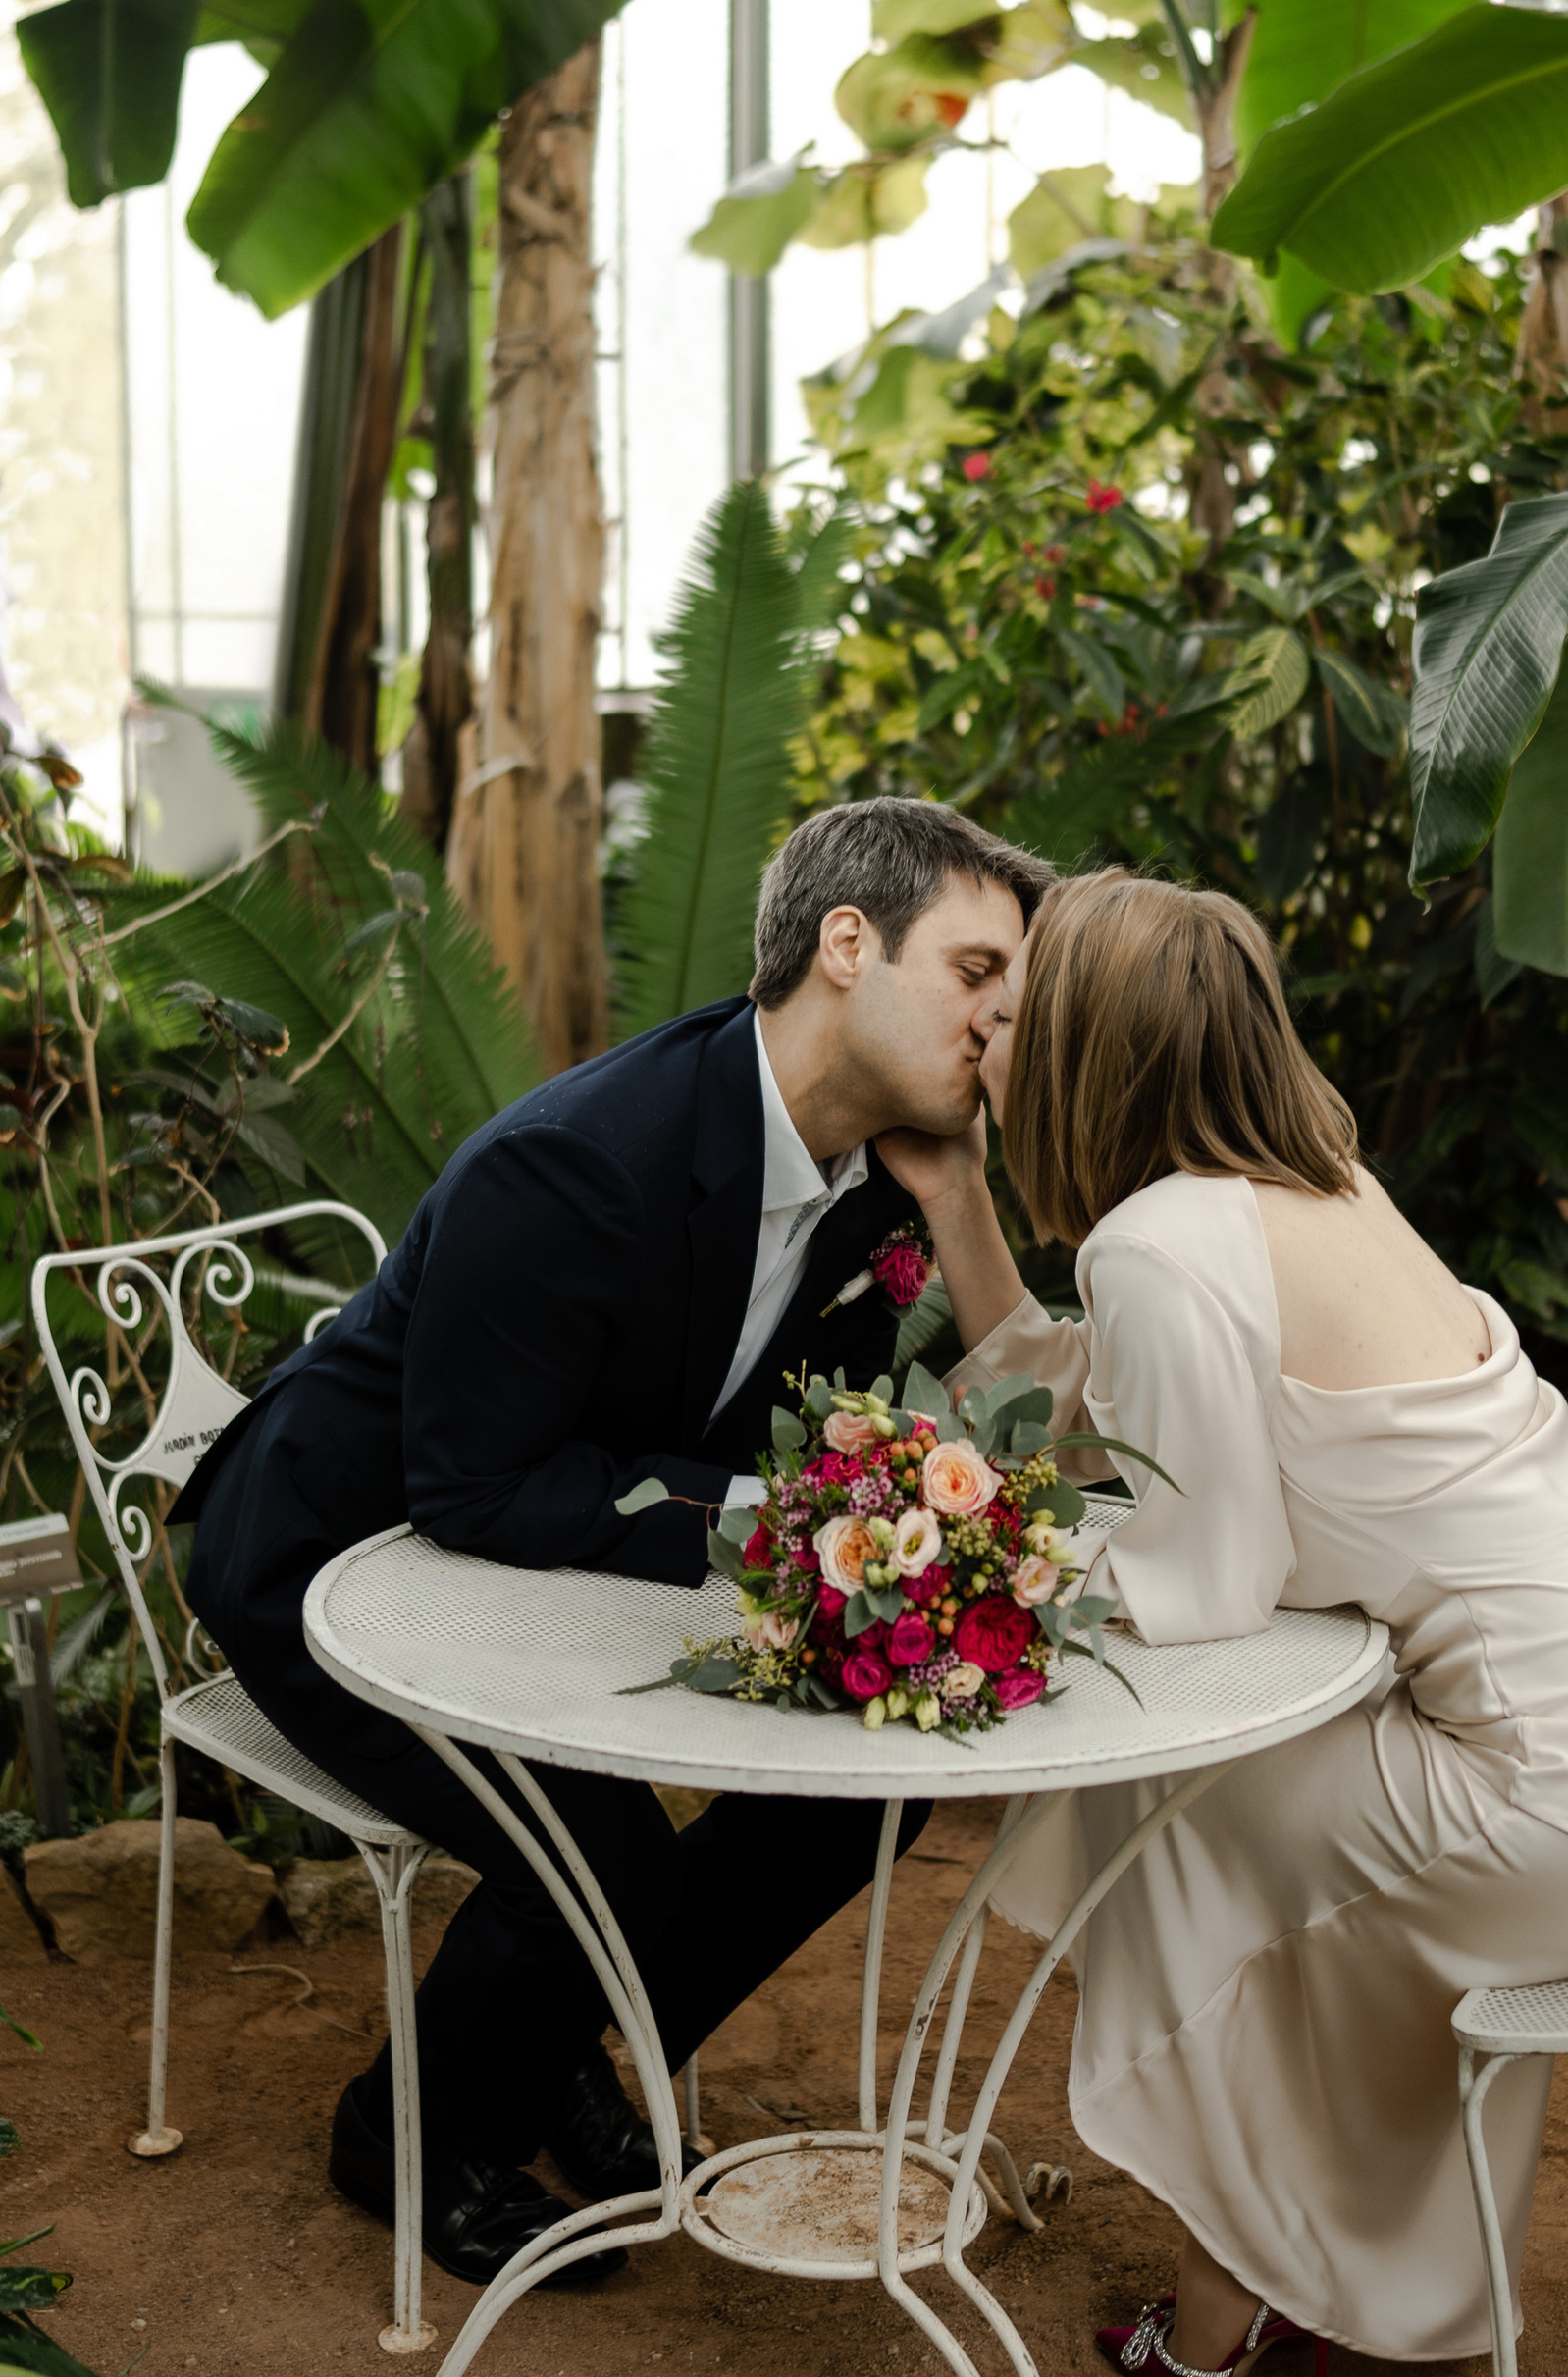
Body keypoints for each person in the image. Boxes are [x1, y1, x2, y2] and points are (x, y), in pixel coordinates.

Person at [886, 872, 1568, 2377]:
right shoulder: (1315, 1189)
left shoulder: (1166, 1244)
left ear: (1100, 1046)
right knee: (1227, 1809)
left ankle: (1229, 2294)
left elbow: (1204, 1579)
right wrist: (962, 1203)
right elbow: (1089, 1408)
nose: (989, 1031)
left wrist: (974, 1569)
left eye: (1020, 1012)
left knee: (1167, 1806)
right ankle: (1341, 2272)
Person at [180, 797, 1050, 2290]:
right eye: (977, 972)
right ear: (848, 944)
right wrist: (788, 1524)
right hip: (336, 1557)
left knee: (864, 1796)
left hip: (545, 1565)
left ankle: (558, 2050)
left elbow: (802, 1420)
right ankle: (409, 2137)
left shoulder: (868, 1186)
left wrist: (959, 1200)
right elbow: (473, 1487)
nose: (1000, 1020)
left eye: (1011, 995)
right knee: (597, 1859)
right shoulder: (581, 1165)